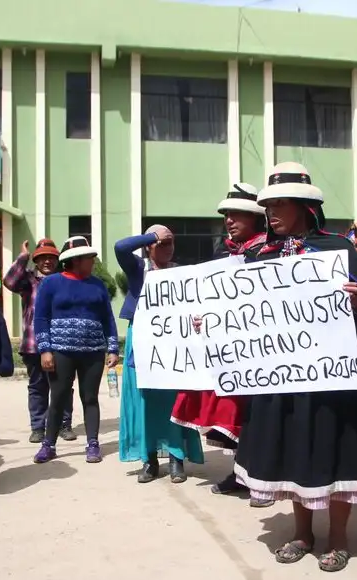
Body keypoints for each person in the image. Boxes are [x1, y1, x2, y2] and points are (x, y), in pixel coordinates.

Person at [230, 162, 357, 573]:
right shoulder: (254, 256)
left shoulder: (340, 250)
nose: (271, 211)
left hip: (333, 379)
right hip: (281, 378)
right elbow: (236, 312)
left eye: (281, 203)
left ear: (306, 206)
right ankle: (302, 533)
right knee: (293, 454)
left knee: (333, 450)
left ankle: (338, 539)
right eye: (267, 204)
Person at [169, 182, 272, 506]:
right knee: (237, 417)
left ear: (255, 217)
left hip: (262, 351)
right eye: (226, 214)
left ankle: (264, 481)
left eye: (236, 214)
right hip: (229, 353)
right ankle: (242, 474)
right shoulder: (223, 255)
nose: (229, 219)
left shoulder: (268, 252)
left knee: (259, 418)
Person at [115, 224, 204, 483]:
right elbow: (120, 247)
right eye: (161, 243)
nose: (167, 248)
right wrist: (153, 235)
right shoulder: (137, 268)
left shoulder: (181, 273)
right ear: (148, 246)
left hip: (174, 343)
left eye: (170, 242)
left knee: (173, 401)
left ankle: (177, 459)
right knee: (145, 402)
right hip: (143, 341)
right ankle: (149, 459)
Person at [32, 236, 119, 464]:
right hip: (61, 351)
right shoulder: (51, 283)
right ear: (75, 260)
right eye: (89, 258)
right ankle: (48, 445)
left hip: (92, 352)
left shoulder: (97, 285)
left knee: (90, 397)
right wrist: (45, 350)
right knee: (58, 397)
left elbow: (107, 318)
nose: (93, 261)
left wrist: (112, 348)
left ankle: (92, 444)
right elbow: (40, 318)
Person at [4, 238, 77, 443]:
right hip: (33, 344)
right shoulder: (28, 281)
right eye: (42, 258)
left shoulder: (65, 280)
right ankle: (38, 427)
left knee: (63, 386)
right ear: (36, 260)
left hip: (61, 343)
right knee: (37, 387)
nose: (47, 262)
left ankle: (64, 424)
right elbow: (9, 282)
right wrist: (22, 258)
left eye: (51, 258)